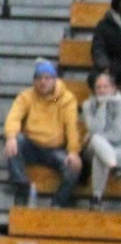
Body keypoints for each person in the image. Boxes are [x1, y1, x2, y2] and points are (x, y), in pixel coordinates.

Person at [5, 59, 82, 208]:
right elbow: (13, 117)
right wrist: (10, 136)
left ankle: (57, 203)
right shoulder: (27, 96)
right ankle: (22, 187)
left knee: (74, 167)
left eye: (47, 78)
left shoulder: (66, 99)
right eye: (39, 78)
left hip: (55, 149)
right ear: (34, 81)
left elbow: (72, 127)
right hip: (31, 145)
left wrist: (73, 151)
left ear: (55, 80)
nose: (43, 82)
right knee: (14, 141)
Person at [80, 70, 120, 210]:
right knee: (96, 140)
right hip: (94, 147)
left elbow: (117, 134)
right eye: (98, 87)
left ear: (114, 88)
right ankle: (114, 167)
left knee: (99, 156)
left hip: (117, 148)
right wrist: (102, 107)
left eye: (105, 86)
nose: (102, 90)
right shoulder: (88, 105)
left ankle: (96, 198)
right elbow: (94, 130)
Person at [90, 0, 121, 81]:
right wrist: (105, 67)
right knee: (95, 78)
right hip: (113, 68)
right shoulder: (104, 26)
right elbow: (98, 49)